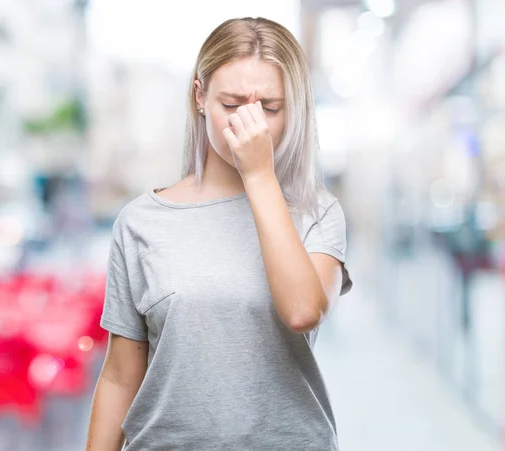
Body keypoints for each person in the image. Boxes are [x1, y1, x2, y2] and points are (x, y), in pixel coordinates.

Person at [85, 16, 353, 451]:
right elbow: (120, 374)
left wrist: (261, 177)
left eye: (269, 107)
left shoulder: (316, 212)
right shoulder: (141, 222)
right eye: (232, 104)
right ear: (200, 97)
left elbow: (303, 310)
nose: (251, 124)